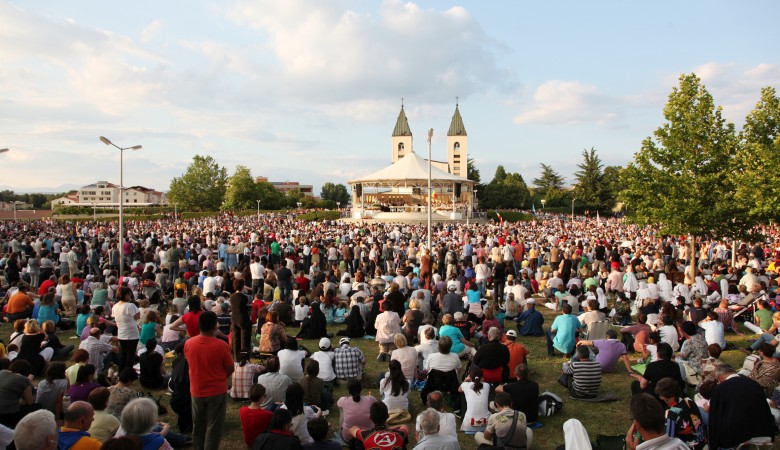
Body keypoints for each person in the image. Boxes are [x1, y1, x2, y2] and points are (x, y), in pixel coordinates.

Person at [183, 311, 234, 450]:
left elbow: (190, 362)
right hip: (216, 390)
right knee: (214, 427)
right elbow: (230, 368)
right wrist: (220, 377)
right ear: (214, 326)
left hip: (197, 390)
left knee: (198, 424)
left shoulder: (189, 343)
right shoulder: (221, 345)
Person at [708, 363, 776, 449]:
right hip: (763, 429)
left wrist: (714, 442)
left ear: (721, 377)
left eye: (718, 380)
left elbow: (715, 417)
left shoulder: (721, 389)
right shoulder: (753, 383)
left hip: (737, 435)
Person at [653, 378, 705, 449]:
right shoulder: (689, 401)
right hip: (702, 441)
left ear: (670, 394)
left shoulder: (671, 413)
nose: (660, 398)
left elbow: (669, 438)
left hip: (687, 447)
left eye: (661, 395)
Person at [0, 360, 41, 428]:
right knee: (38, 406)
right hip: (6, 414)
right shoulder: (23, 379)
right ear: (26, 371)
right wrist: (29, 381)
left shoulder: (1, 372)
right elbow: (29, 402)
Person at [337, 379, 377, 444]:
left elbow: (338, 404)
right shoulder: (371, 399)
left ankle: (344, 428)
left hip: (348, 438)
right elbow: (377, 405)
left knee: (342, 409)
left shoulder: (343, 400)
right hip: (369, 437)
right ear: (361, 389)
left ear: (349, 390)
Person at [112, 286, 140, 372]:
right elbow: (137, 316)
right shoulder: (130, 305)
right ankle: (128, 371)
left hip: (121, 332)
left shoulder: (115, 306)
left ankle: (122, 370)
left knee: (124, 353)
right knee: (130, 354)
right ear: (125, 295)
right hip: (131, 333)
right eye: (129, 294)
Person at [240, 384, 274, 448]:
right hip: (261, 442)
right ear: (261, 397)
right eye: (264, 395)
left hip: (249, 442)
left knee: (272, 404)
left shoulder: (242, 410)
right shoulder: (268, 414)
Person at [459, 366, 490, 433]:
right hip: (486, 424)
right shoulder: (487, 385)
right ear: (481, 376)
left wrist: (465, 380)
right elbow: (481, 384)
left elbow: (459, 390)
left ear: (470, 376)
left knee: (463, 395)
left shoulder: (465, 385)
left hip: (468, 425)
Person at [230, 278, 253, 360]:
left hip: (234, 319)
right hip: (243, 319)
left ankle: (236, 358)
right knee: (244, 341)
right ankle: (244, 358)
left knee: (236, 340)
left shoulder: (231, 296)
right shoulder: (244, 297)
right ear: (242, 286)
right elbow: (248, 307)